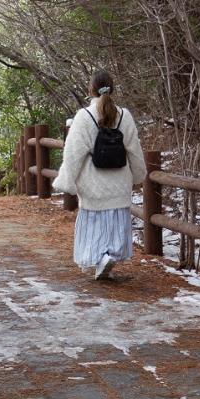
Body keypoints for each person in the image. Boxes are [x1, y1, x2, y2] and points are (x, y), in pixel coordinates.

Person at [52, 70, 147, 281]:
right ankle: (110, 257)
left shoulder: (84, 117)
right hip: (119, 183)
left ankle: (102, 258)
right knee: (115, 225)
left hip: (93, 184)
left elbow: (73, 153)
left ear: (91, 90)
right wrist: (139, 175)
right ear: (112, 88)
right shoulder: (125, 115)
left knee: (95, 227)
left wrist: (67, 180)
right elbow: (134, 149)